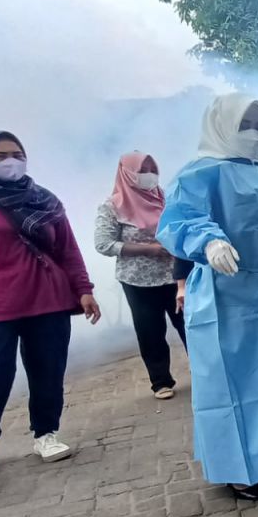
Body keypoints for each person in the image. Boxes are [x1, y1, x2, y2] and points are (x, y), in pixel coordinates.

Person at [157, 93, 258, 500]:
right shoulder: (201, 174)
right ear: (222, 123)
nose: (254, 132)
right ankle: (237, 469)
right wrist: (208, 241)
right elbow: (181, 218)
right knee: (230, 382)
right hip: (226, 293)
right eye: (245, 123)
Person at [0, 130, 101, 482]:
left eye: (17, 153)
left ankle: (46, 434)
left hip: (49, 299)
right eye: (0, 155)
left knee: (48, 369)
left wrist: (83, 289)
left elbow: (68, 250)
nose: (11, 161)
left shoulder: (43, 198)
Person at [94, 152, 186, 400]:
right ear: (126, 172)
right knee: (150, 331)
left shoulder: (166, 198)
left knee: (189, 325)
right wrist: (150, 249)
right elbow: (103, 244)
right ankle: (160, 381)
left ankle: (205, 373)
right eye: (141, 169)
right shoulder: (112, 206)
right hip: (139, 281)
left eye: (151, 168)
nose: (148, 174)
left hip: (176, 276)